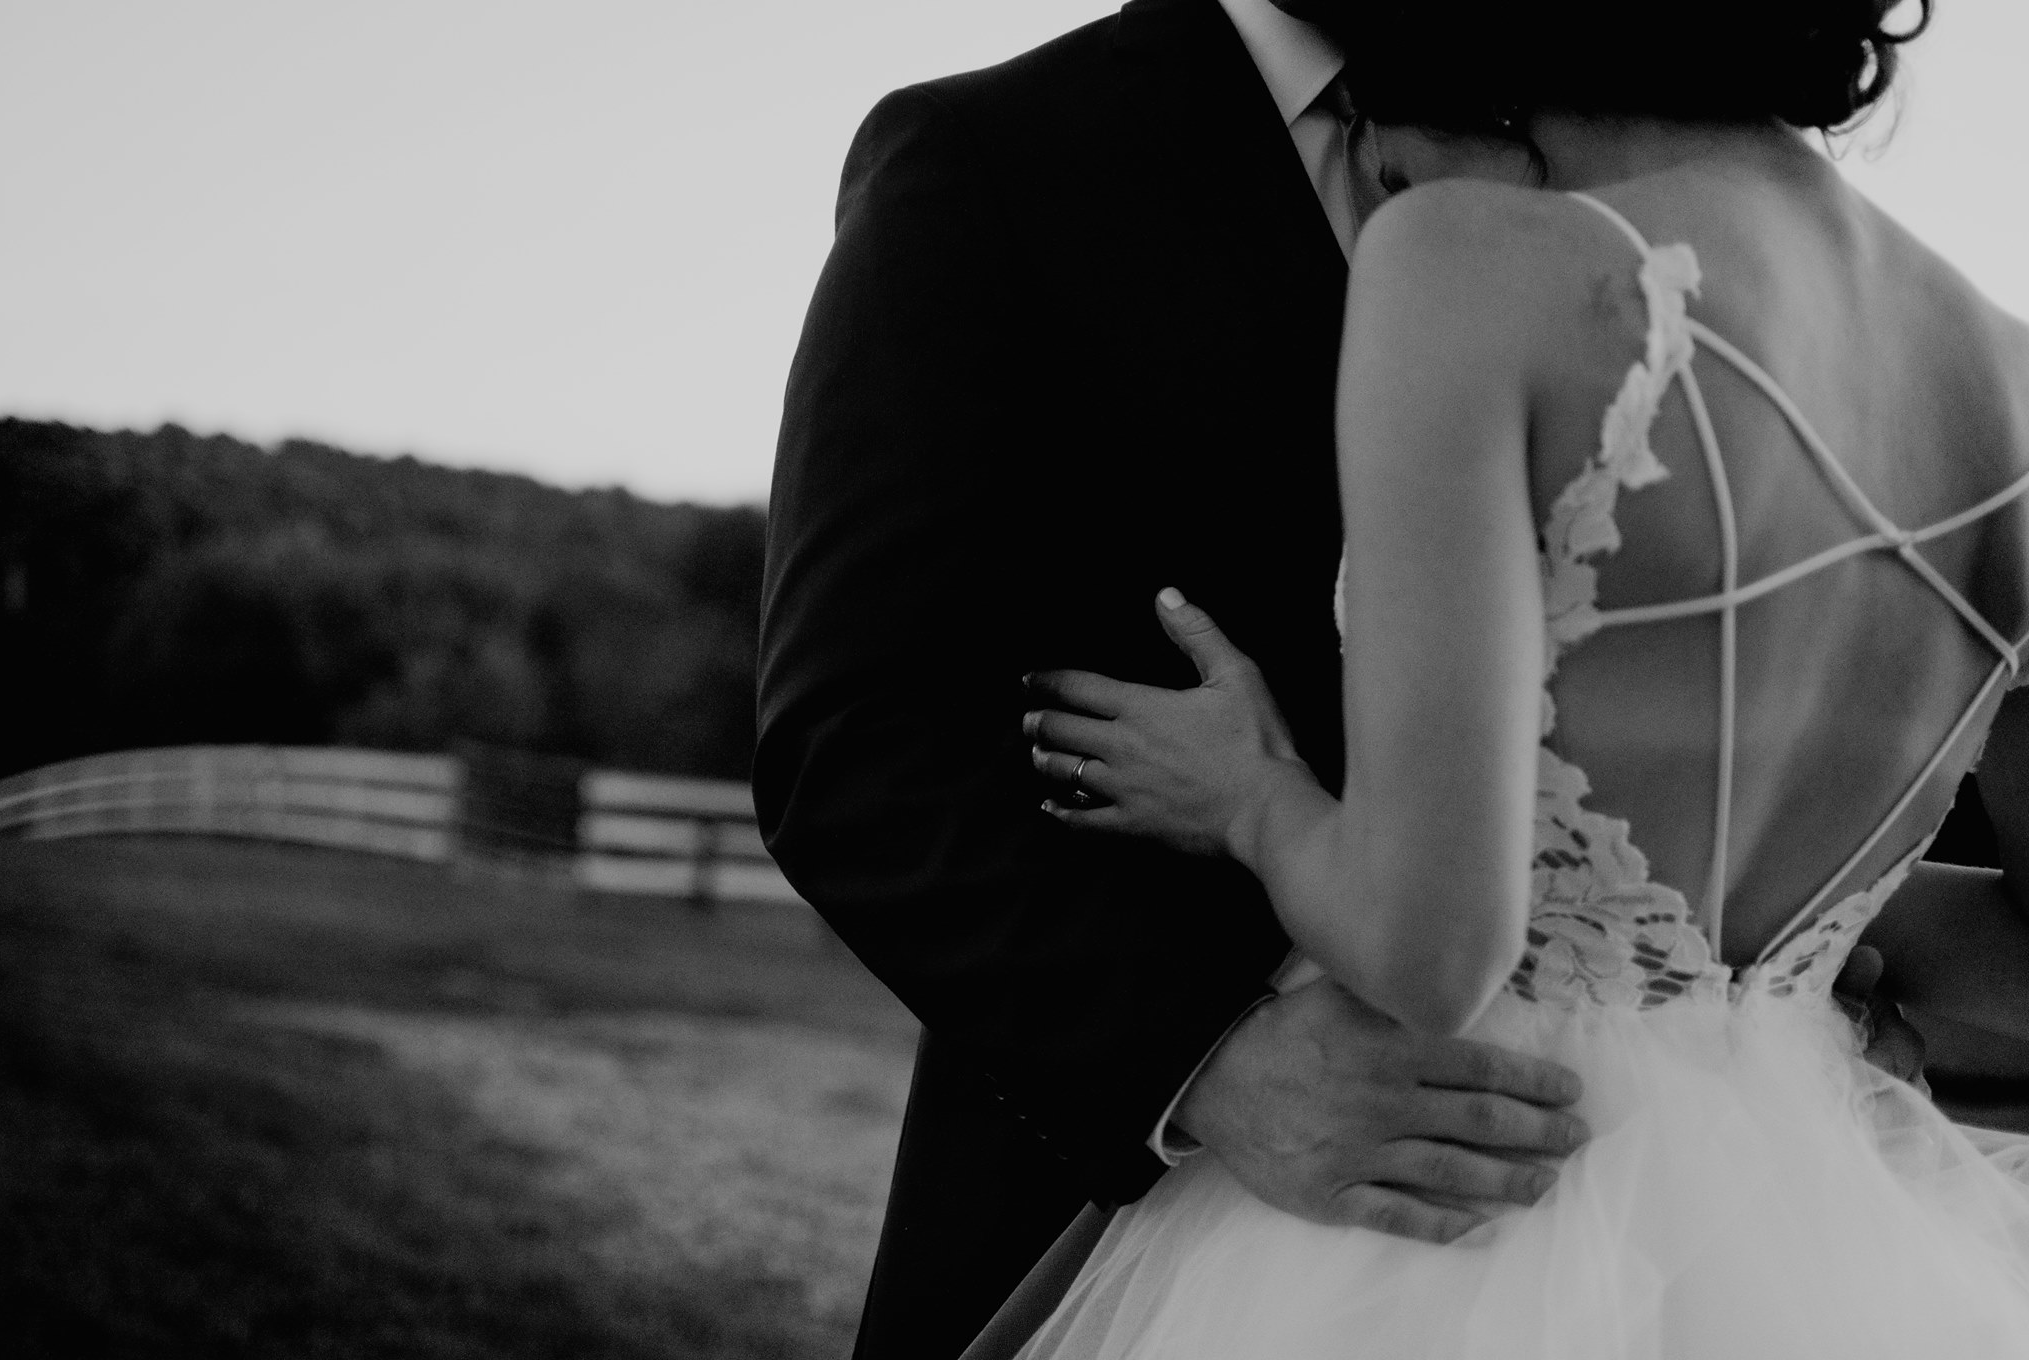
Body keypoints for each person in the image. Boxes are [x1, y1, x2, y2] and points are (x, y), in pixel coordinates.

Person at [1006, 0, 2029, 1353]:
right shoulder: (2012, 377)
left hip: (1461, 1210)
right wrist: (1786, 960)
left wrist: (1250, 796)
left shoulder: (1476, 260)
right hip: (1807, 1235)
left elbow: (1432, 948)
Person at [756, 2, 1611, 1355]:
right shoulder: (989, 156)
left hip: (1593, 1205)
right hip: (1118, 1222)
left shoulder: (1612, 144)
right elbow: (853, 745)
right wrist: (1206, 1063)